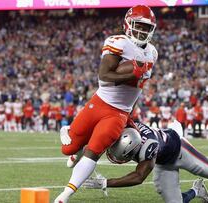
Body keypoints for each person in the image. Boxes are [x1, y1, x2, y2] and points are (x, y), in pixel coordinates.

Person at [54, 5, 158, 203]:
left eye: (147, 28)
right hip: (100, 102)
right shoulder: (118, 42)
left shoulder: (152, 53)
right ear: (128, 24)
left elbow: (138, 89)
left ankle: (65, 195)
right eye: (139, 26)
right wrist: (132, 72)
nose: (142, 31)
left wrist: (129, 113)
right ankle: (71, 138)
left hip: (118, 113)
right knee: (67, 150)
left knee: (94, 152)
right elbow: (104, 76)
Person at [82, 120, 208, 203]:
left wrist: (106, 182)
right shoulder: (126, 128)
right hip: (162, 161)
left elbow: (139, 176)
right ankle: (196, 191)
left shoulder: (148, 146)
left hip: (180, 150)